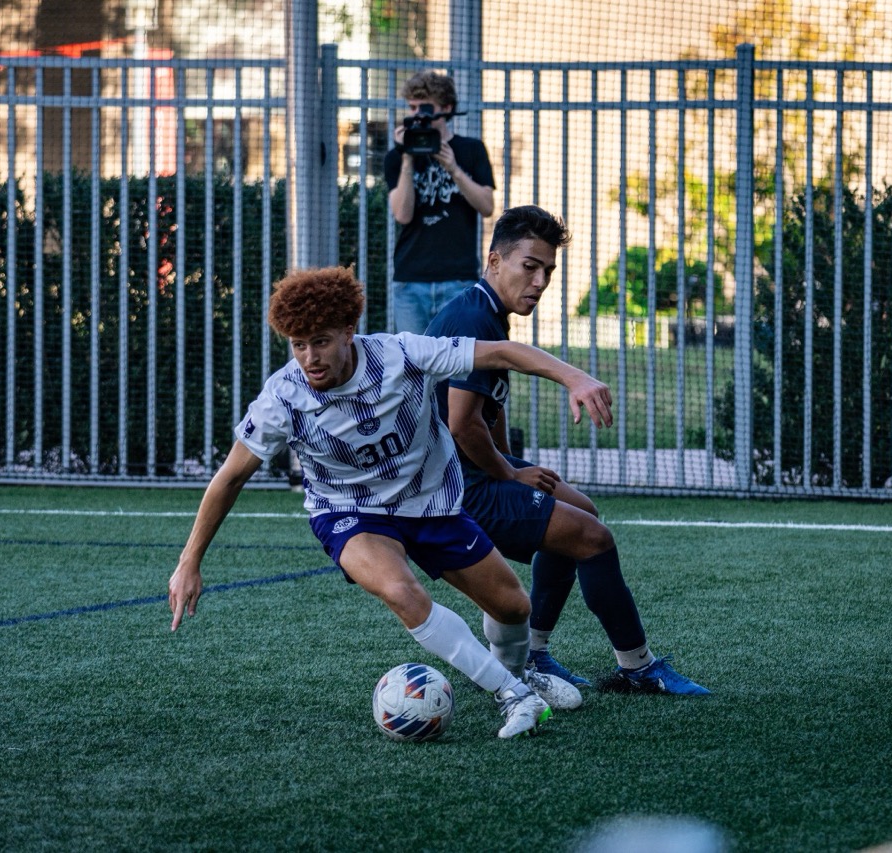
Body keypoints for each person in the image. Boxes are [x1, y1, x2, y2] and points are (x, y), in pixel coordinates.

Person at [168, 266, 612, 739]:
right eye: (298, 344)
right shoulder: (284, 397)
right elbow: (230, 478)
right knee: (402, 592)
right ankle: (514, 696)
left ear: (348, 332)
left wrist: (574, 377)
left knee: (512, 607)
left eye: (320, 341)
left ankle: (516, 676)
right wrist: (189, 559)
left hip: (430, 502)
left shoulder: (402, 355)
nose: (309, 358)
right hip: (348, 512)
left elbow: (502, 351)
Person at [425, 205, 711, 696]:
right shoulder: (474, 316)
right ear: (494, 261)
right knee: (591, 538)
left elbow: (487, 414)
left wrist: (515, 462)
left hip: (467, 468)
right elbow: (461, 424)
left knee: (580, 509)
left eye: (548, 271)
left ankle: (535, 654)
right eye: (529, 266)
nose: (539, 281)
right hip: (452, 482)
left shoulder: (485, 311)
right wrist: (510, 476)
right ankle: (637, 669)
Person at [384, 70, 495, 334]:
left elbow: (487, 206)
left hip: (457, 277)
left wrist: (454, 169)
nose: (417, 115)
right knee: (413, 365)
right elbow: (402, 214)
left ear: (446, 108)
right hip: (412, 279)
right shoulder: (396, 158)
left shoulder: (471, 149)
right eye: (411, 108)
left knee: (458, 362)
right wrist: (407, 158)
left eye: (425, 108)